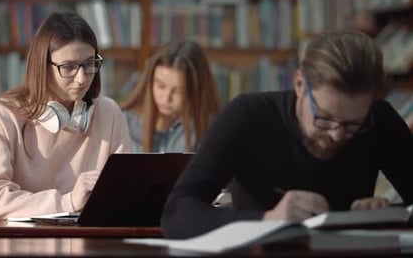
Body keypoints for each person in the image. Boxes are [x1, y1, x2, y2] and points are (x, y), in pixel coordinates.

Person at [161, 30, 413, 239]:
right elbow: (178, 213)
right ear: (300, 85)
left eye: (353, 124)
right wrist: (268, 219)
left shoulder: (378, 119)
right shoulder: (248, 117)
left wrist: (384, 216)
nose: (337, 135)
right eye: (324, 118)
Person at [0, 12, 132, 220]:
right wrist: (66, 202)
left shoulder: (109, 113)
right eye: (69, 67)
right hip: (18, 244)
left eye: (90, 64)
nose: (82, 79)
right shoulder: (4, 116)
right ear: (43, 66)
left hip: (88, 243)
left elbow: (128, 194)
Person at [119, 40, 221, 152]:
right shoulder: (125, 122)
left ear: (196, 91)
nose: (167, 98)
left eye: (178, 91)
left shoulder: (208, 128)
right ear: (149, 82)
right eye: (161, 86)